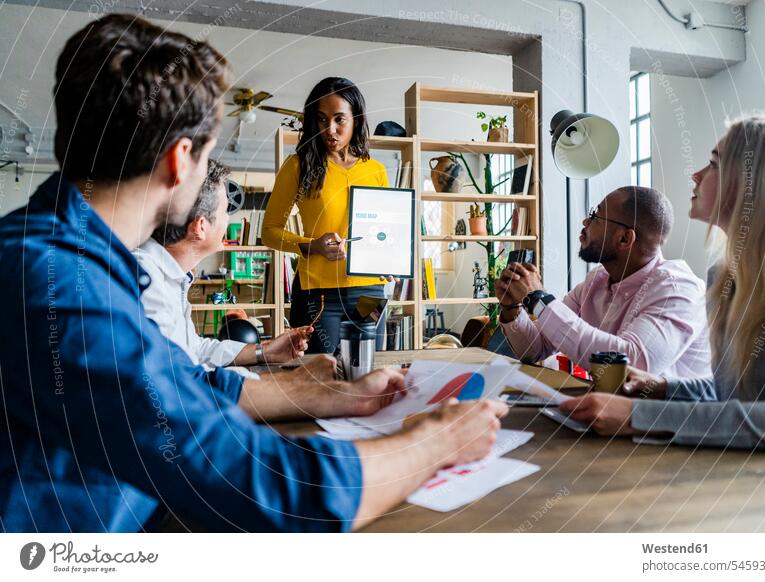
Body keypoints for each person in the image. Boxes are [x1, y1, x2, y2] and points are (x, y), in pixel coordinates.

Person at [0, 14, 507, 532]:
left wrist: (321, 393)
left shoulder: (69, 257)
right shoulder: (60, 286)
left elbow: (177, 386)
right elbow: (265, 486)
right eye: (209, 153)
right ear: (180, 162)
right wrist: (434, 442)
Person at [560, 113, 765, 451]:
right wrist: (662, 388)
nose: (696, 174)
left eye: (714, 164)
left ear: (755, 180)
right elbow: (726, 394)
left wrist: (638, 416)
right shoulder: (724, 276)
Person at [496, 186, 711, 381]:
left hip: (664, 422)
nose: (585, 223)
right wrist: (511, 308)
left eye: (595, 216)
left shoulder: (677, 290)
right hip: (611, 414)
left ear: (625, 239)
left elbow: (630, 365)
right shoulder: (596, 280)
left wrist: (539, 299)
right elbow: (537, 349)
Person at [134, 158, 310, 379]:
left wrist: (264, 351)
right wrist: (293, 383)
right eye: (226, 211)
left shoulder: (170, 273)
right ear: (200, 227)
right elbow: (178, 380)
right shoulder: (145, 279)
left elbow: (194, 350)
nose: (228, 220)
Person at [261, 77, 390, 354]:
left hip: (370, 293)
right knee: (319, 379)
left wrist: (389, 258)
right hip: (319, 296)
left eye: (339, 119)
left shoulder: (376, 170)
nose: (329, 129)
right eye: (321, 119)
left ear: (355, 119)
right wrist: (312, 245)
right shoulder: (298, 166)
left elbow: (382, 231)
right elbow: (270, 231)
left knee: (367, 375)